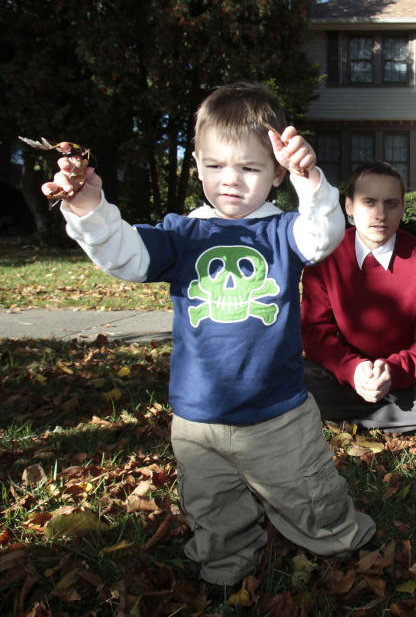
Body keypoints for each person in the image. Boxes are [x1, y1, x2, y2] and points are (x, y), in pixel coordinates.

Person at [42, 82, 375, 591]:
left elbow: (323, 235)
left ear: (277, 172)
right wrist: (89, 206)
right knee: (213, 508)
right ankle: (226, 568)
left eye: (249, 168)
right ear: (196, 163)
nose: (231, 181)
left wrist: (312, 181)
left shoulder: (284, 232)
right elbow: (126, 255)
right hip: (197, 419)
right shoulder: (182, 233)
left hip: (277, 415)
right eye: (216, 166)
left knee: (310, 496)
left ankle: (341, 540)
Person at [299, 161, 416, 432]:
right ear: (349, 207)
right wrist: (353, 369)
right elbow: (314, 331)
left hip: (406, 380)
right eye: (368, 202)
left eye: (391, 203)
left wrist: (392, 371)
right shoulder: (326, 255)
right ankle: (388, 417)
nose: (380, 214)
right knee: (293, 380)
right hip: (341, 376)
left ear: (402, 208)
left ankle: (355, 417)